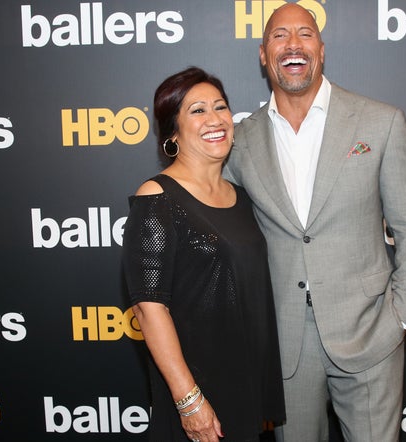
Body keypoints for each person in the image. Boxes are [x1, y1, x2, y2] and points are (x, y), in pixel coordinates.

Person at [223, 4, 406, 441]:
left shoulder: (380, 122)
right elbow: (221, 225)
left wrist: (402, 315)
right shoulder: (239, 141)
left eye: (305, 33)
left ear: (321, 49)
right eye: (280, 36)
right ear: (264, 54)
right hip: (284, 345)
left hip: (371, 331)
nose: (293, 44)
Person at [122, 67, 285, 442]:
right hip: (196, 393)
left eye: (221, 107)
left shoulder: (241, 197)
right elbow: (150, 309)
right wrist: (189, 401)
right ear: (173, 132)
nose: (215, 119)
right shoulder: (156, 197)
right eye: (197, 111)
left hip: (243, 389)